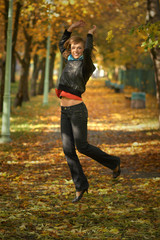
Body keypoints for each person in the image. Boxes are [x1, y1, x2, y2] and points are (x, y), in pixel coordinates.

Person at [55, 20, 121, 203]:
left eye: (79, 48)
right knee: (68, 150)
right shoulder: (68, 59)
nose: (76, 50)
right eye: (74, 47)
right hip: (64, 111)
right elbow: (62, 43)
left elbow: (89, 50)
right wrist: (70, 29)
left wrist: (90, 35)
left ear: (83, 50)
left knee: (81, 146)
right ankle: (80, 186)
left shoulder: (85, 64)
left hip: (77, 111)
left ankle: (114, 162)